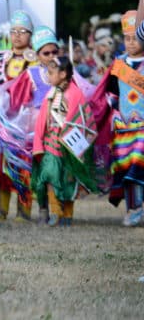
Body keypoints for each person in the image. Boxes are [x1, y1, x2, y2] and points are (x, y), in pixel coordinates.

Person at [31, 56, 98, 226]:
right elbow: (41, 121)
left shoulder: (75, 94)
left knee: (69, 179)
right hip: (51, 143)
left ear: (63, 74)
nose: (48, 76)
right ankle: (56, 212)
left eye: (51, 73)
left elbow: (82, 119)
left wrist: (67, 133)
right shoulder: (50, 93)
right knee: (50, 175)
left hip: (69, 145)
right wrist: (38, 142)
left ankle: (67, 215)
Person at [0, 10, 37, 222]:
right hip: (4, 121)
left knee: (23, 165)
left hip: (25, 123)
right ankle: (1, 210)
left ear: (30, 35)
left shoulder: (36, 61)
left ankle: (24, 210)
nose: (17, 35)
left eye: (22, 31)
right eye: (14, 31)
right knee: (2, 164)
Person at [96, 11, 144, 226]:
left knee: (138, 161)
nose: (131, 42)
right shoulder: (118, 64)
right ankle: (133, 208)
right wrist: (110, 110)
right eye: (127, 38)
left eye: (135, 37)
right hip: (123, 128)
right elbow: (111, 92)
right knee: (126, 168)